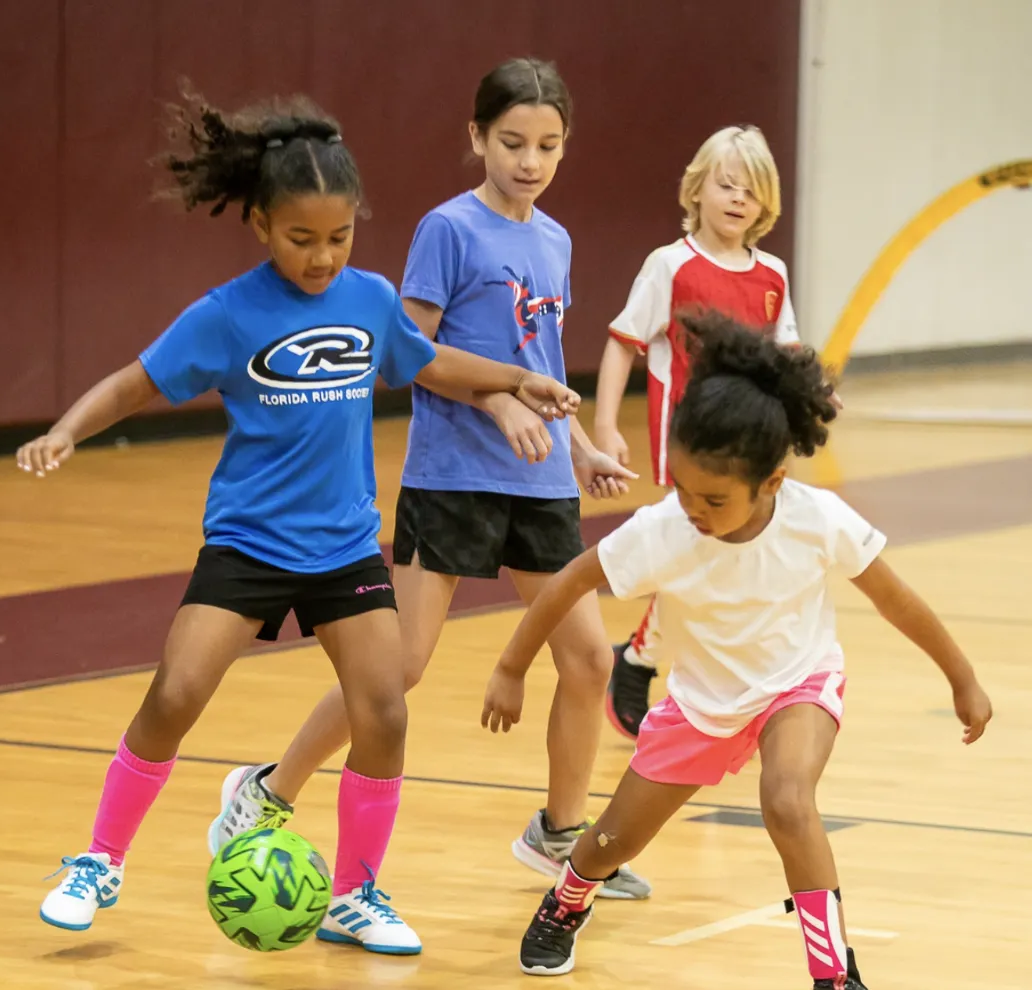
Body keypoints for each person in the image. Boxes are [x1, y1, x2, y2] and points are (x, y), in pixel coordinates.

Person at [21, 87, 581, 955]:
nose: (323, 258)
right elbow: (136, 381)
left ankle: (357, 893)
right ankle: (99, 859)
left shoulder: (366, 297)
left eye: (340, 237)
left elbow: (425, 360)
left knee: (385, 711)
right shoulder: (228, 313)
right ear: (259, 226)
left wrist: (511, 380)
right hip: (248, 541)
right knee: (174, 694)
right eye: (301, 239)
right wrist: (64, 429)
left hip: (345, 546)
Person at [208, 57, 650, 901]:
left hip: (538, 477)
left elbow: (538, 360)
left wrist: (577, 445)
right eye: (512, 141)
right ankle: (266, 792)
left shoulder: (554, 240)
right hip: (453, 475)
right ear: (477, 137)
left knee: (590, 657)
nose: (529, 160)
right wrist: (497, 405)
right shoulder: (448, 230)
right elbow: (408, 355)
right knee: (399, 666)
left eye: (548, 145)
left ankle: (560, 832)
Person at [482, 313, 993, 987]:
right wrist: (512, 667)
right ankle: (568, 898)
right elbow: (572, 579)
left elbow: (895, 599)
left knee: (787, 801)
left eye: (714, 498)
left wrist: (962, 678)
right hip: (701, 705)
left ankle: (834, 973)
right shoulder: (664, 529)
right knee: (612, 841)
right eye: (684, 488)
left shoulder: (818, 520)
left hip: (797, 684)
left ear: (772, 483)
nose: (693, 508)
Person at [594, 125, 807, 738]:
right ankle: (641, 662)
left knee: (729, 557)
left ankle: (647, 659)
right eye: (726, 184)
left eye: (752, 189)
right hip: (688, 442)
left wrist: (813, 397)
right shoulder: (670, 266)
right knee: (701, 554)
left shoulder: (773, 275)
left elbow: (787, 352)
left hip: (749, 444)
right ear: (698, 189)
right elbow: (623, 343)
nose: (738, 198)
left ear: (767, 203)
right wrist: (606, 424)